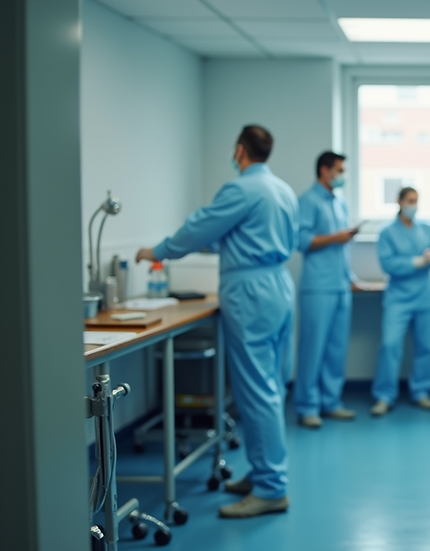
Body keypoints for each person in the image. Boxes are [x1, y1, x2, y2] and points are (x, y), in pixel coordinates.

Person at [136, 125, 297, 519]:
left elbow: (197, 230)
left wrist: (157, 251)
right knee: (268, 387)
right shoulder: (283, 190)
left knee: (256, 393)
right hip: (278, 284)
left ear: (240, 151)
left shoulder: (241, 189)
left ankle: (272, 488)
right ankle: (263, 473)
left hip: (250, 292)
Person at [294, 151, 360, 428]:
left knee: (336, 348)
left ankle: (331, 402)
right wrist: (336, 237)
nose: (342, 175)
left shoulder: (340, 202)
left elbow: (341, 249)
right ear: (324, 170)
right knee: (312, 349)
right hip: (317, 287)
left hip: (340, 286)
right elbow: (301, 241)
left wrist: (351, 278)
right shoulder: (308, 201)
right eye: (339, 170)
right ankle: (307, 407)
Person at [370, 187, 430, 417]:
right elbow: (388, 264)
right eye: (409, 200)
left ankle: (420, 392)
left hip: (425, 297)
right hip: (398, 299)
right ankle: (384, 396)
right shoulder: (386, 232)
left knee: (425, 347)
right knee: (390, 345)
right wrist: (416, 262)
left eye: (416, 200)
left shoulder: (428, 228)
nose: (413, 205)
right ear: (399, 202)